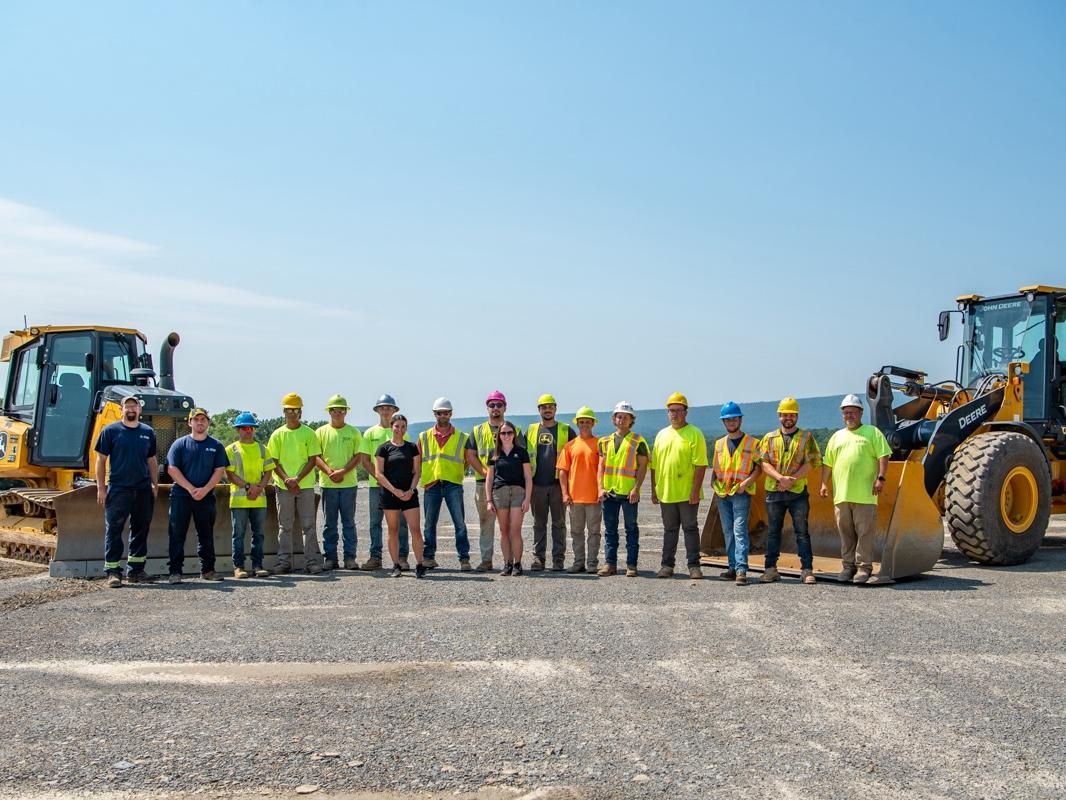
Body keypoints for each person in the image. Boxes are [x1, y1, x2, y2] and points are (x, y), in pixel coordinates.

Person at [820, 394, 892, 584]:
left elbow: (883, 456)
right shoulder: (836, 437)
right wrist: (824, 483)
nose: (849, 416)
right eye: (846, 413)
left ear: (860, 413)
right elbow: (828, 463)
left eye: (852, 412)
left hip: (865, 495)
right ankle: (847, 567)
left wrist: (880, 478)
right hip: (842, 495)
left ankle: (864, 568)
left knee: (865, 533)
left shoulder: (872, 433)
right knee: (846, 534)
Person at [94, 395, 158, 588]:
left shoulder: (148, 432)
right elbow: (101, 460)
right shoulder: (111, 431)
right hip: (119, 488)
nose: (131, 409)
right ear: (121, 410)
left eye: (134, 405)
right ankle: (113, 572)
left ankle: (136, 570)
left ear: (140, 410)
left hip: (142, 489)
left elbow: (151, 460)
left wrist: (154, 483)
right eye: (127, 406)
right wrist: (101, 487)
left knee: (141, 529)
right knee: (114, 529)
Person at [758, 397, 822, 585]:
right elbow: (763, 462)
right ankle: (770, 569)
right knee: (773, 532)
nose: (788, 418)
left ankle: (807, 570)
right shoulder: (769, 438)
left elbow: (812, 461)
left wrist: (792, 480)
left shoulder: (806, 437)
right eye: (785, 414)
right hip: (774, 491)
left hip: (797, 493)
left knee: (802, 532)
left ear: (796, 416)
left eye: (792, 415)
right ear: (779, 416)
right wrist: (780, 479)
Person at [165, 408, 229, 584]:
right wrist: (191, 488)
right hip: (181, 496)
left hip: (206, 496)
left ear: (208, 422)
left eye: (203, 419)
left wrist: (205, 489)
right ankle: (175, 572)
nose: (200, 422)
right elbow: (172, 468)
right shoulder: (179, 444)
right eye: (196, 419)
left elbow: (219, 470)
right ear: (190, 423)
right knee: (177, 534)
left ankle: (208, 570)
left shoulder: (216, 446)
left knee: (206, 534)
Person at [651, 392, 708, 580]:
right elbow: (654, 465)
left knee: (690, 528)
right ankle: (667, 566)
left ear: (685, 412)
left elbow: (700, 465)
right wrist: (654, 489)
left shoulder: (695, 433)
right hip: (666, 493)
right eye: (671, 410)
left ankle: (694, 566)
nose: (674, 414)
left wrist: (694, 491)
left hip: (687, 493)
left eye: (678, 410)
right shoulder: (661, 435)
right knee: (669, 530)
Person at [266, 392, 324, 575]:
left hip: (305, 486)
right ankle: (284, 562)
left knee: (309, 526)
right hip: (283, 487)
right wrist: (286, 480)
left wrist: (297, 479)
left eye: (295, 410)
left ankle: (311, 562)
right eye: (288, 410)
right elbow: (273, 461)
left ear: (301, 412)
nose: (291, 413)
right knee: (285, 526)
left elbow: (313, 459)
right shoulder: (277, 435)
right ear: (284, 412)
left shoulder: (309, 433)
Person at [468, 390, 523, 571]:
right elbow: (471, 455)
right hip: (483, 483)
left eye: (499, 404)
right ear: (487, 408)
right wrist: (487, 474)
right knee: (486, 522)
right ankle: (486, 560)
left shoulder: (515, 430)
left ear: (505, 407)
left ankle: (514, 562)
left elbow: (522, 457)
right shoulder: (477, 431)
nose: (495, 408)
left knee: (510, 526)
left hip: (508, 486)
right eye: (492, 405)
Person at [709, 402, 762, 585]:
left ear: (740, 419)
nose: (731, 422)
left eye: (734, 418)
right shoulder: (718, 444)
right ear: (724, 422)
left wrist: (746, 483)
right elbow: (716, 469)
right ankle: (732, 567)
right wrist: (713, 484)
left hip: (741, 492)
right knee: (728, 531)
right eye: (728, 419)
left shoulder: (753, 443)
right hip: (723, 493)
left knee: (739, 531)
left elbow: (758, 469)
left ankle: (741, 569)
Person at [418, 397, 472, 571]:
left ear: (451, 414)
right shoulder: (424, 437)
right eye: (440, 413)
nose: (443, 415)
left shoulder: (462, 437)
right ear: (435, 414)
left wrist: (457, 471)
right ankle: (428, 557)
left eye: (446, 413)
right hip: (431, 484)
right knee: (429, 524)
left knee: (459, 523)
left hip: (453, 483)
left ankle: (464, 558)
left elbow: (467, 460)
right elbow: (417, 460)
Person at [596, 401, 649, 577]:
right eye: (619, 416)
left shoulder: (638, 441)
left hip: (628, 493)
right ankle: (610, 564)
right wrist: (600, 488)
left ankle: (631, 565)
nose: (621, 420)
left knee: (631, 529)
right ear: (614, 419)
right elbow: (601, 467)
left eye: (625, 417)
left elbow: (642, 466)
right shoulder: (604, 442)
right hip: (609, 493)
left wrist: (636, 488)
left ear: (631, 420)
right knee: (610, 530)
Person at [359, 394, 410, 571]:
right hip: (377, 486)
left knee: (401, 523)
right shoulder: (370, 433)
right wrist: (379, 478)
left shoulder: (401, 431)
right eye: (382, 407)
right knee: (375, 522)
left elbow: (408, 459)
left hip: (398, 487)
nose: (386, 410)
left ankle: (402, 557)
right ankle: (375, 557)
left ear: (395, 410)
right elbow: (365, 460)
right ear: (378, 410)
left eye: (389, 407)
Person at [525, 393, 574, 571]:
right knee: (539, 524)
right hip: (537, 484)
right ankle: (538, 559)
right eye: (544, 407)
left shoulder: (566, 430)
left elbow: (574, 457)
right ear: (539, 410)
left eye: (550, 406)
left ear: (555, 409)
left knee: (559, 524)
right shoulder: (530, 430)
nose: (547, 410)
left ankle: (558, 560)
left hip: (558, 485)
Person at [374, 414, 427, 578]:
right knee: (393, 530)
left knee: (415, 530)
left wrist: (411, 490)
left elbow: (417, 471)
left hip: (409, 494)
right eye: (397, 426)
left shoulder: (412, 447)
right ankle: (396, 565)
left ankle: (419, 564)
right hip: (390, 495)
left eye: (403, 426)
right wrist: (394, 491)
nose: (400, 429)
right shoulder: (383, 448)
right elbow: (379, 474)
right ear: (392, 427)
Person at [315, 394, 363, 570]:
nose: (337, 412)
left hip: (349, 484)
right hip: (327, 484)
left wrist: (343, 471)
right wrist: (329, 471)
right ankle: (330, 559)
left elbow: (359, 456)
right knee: (330, 524)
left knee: (349, 523)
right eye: (334, 409)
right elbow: (315, 456)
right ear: (329, 411)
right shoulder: (320, 432)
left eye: (341, 409)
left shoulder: (353, 432)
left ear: (346, 412)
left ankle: (350, 558)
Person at [225, 412, 275, 579]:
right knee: (238, 535)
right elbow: (230, 474)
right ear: (238, 430)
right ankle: (238, 567)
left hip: (259, 500)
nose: (249, 431)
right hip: (239, 501)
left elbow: (269, 471)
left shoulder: (263, 449)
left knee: (258, 534)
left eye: (251, 428)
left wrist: (259, 487)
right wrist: (248, 487)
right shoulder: (231, 449)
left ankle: (257, 565)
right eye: (245, 428)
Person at [556, 406, 602, 575]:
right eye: (581, 422)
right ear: (577, 424)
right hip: (575, 498)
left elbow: (603, 470)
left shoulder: (599, 445)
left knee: (594, 532)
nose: (584, 425)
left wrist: (601, 490)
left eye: (587, 422)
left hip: (594, 497)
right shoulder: (570, 446)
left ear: (593, 424)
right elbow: (562, 471)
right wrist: (565, 493)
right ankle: (578, 562)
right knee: (576, 532)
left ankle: (592, 563)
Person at [485, 421, 532, 575]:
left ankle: (517, 564)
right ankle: (507, 564)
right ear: (499, 435)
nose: (506, 436)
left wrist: (527, 499)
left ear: (514, 434)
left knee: (515, 530)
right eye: (503, 433)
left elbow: (528, 478)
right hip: (500, 493)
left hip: (518, 493)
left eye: (509, 432)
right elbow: (490, 479)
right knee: (503, 530)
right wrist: (489, 500)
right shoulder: (494, 453)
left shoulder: (521, 452)